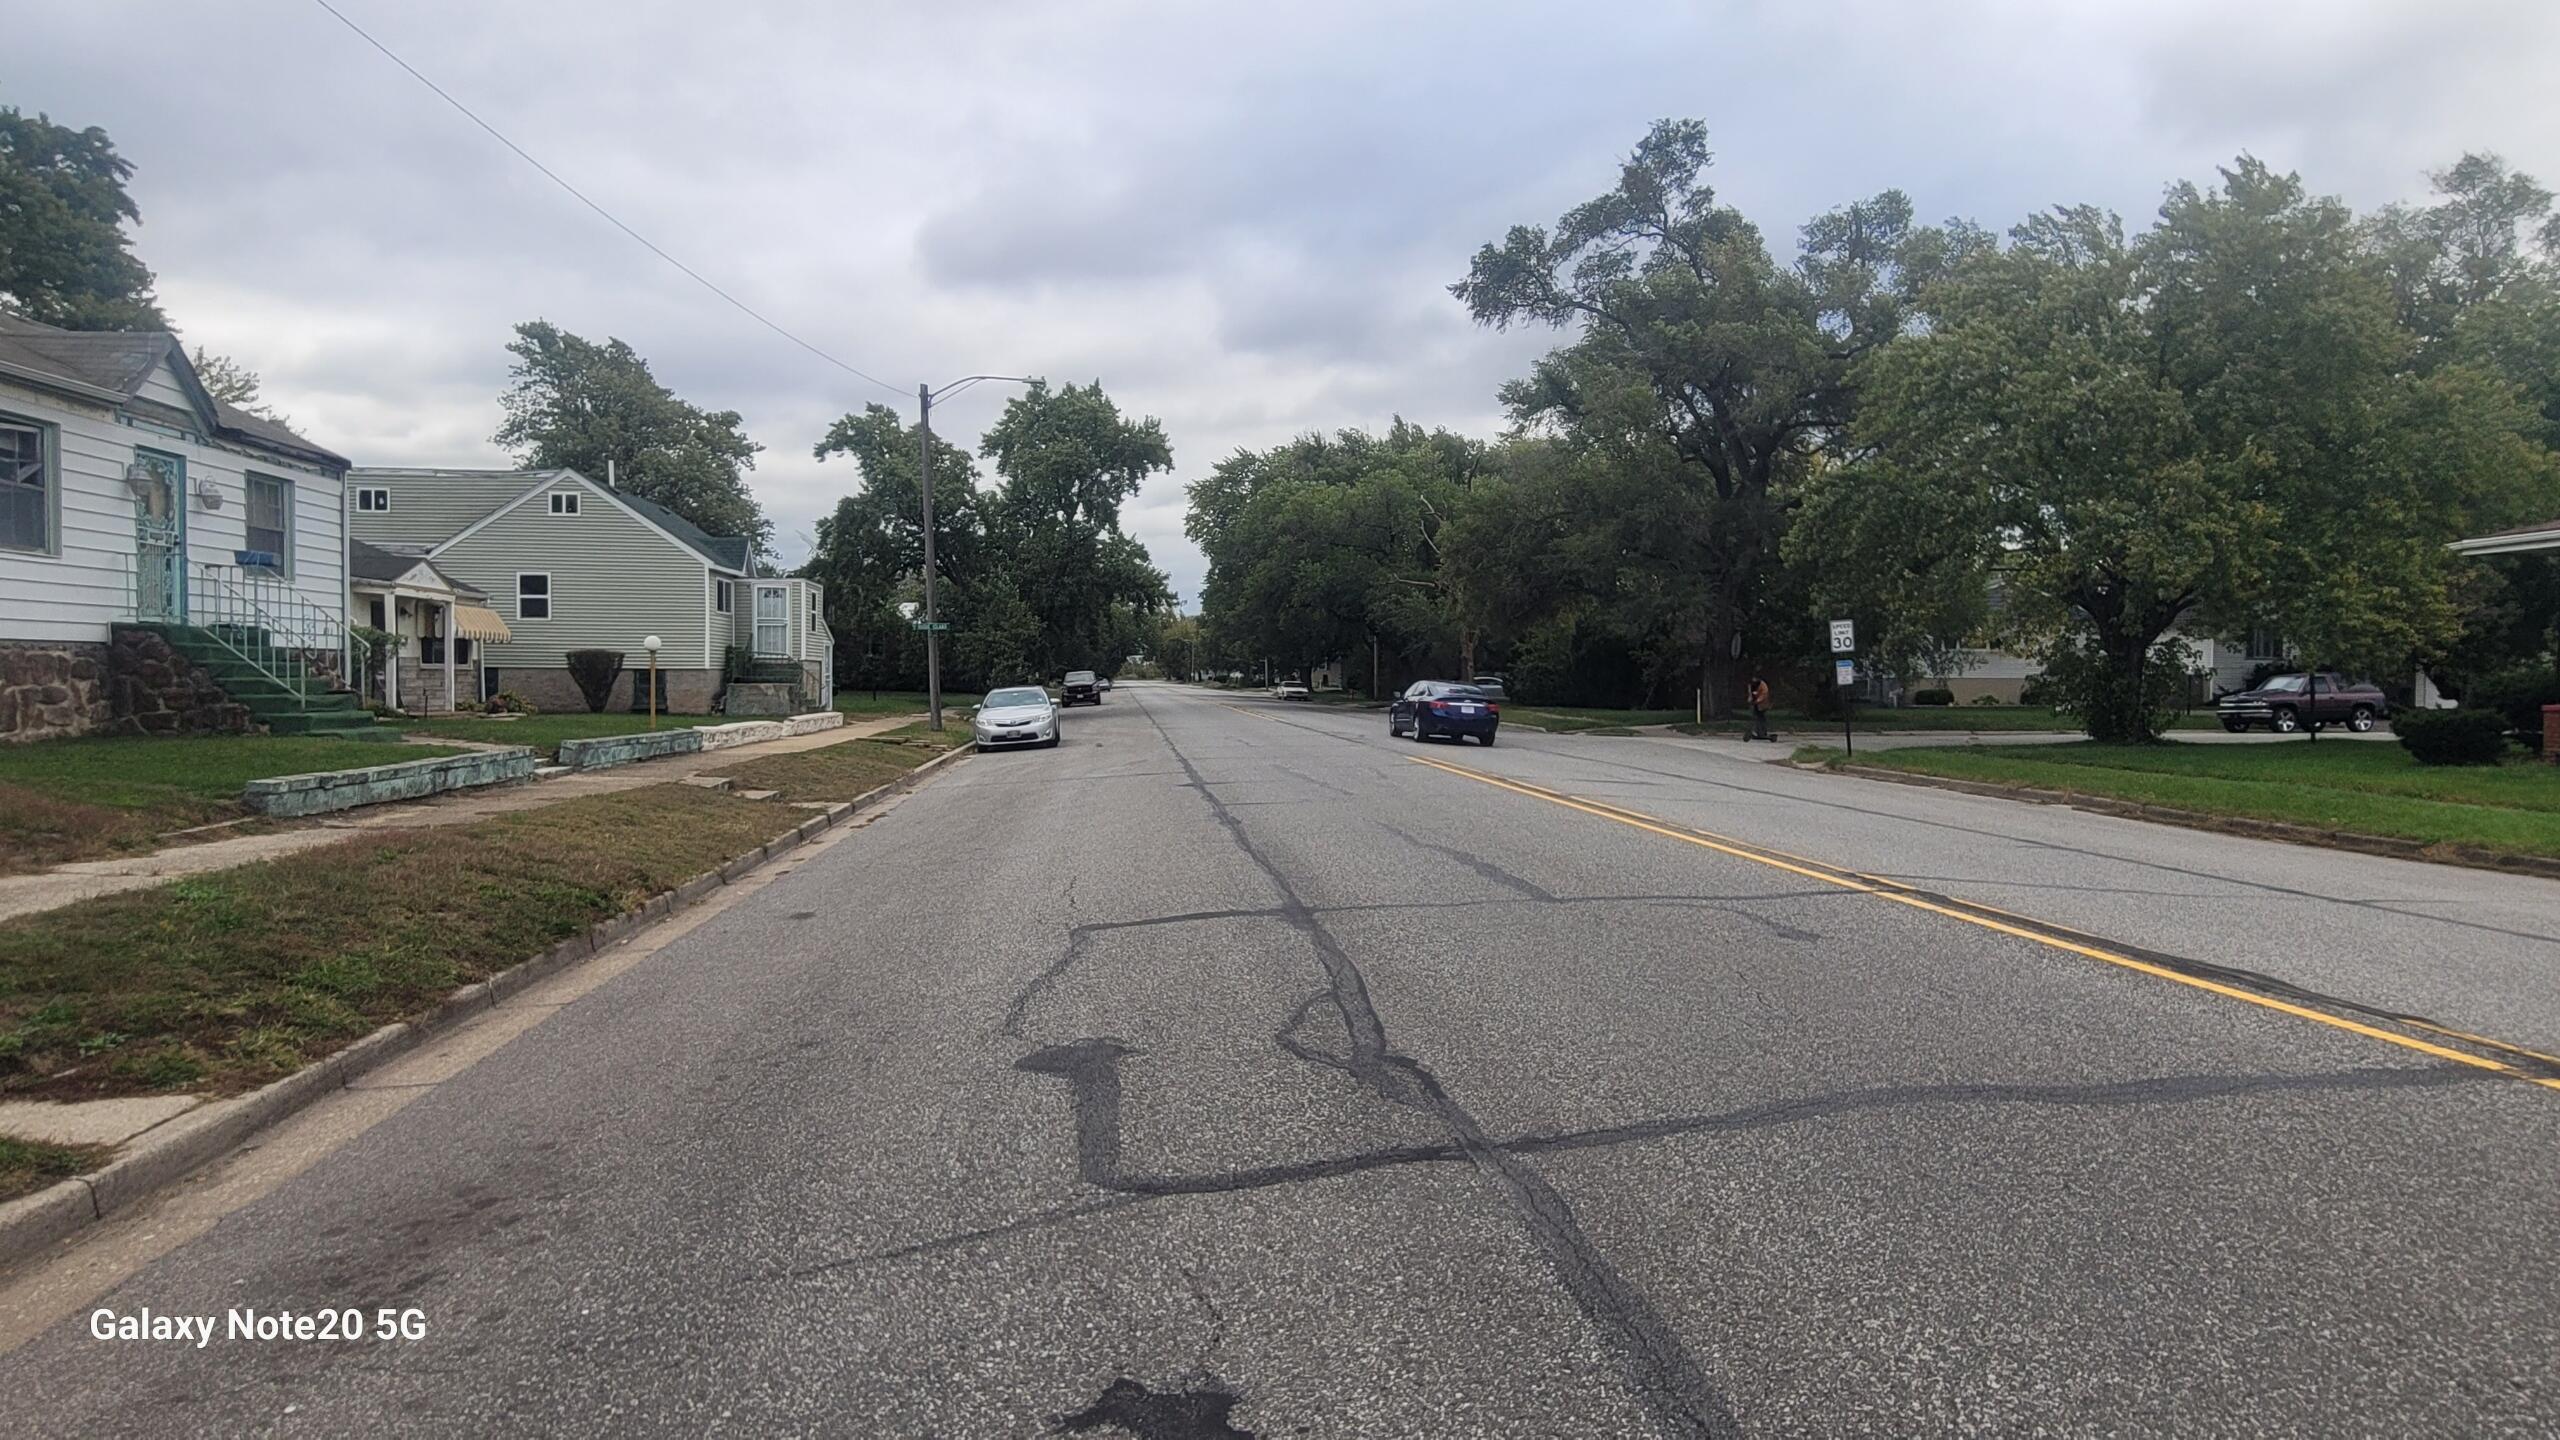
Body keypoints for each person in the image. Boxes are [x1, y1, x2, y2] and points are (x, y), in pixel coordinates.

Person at [1747, 673, 1772, 741]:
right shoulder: (1753, 685)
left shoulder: (1763, 685)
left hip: (1762, 704)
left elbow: (1764, 695)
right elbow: (1750, 692)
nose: (1754, 680)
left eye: (1755, 678)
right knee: (1756, 717)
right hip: (1756, 704)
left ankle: (1763, 732)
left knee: (1761, 718)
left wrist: (1757, 700)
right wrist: (1750, 699)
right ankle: (1758, 731)